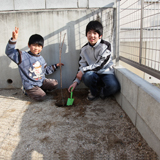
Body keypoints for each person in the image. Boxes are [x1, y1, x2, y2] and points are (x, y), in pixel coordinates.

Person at [5, 27, 64, 101]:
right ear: (29, 45)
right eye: (34, 45)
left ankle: (39, 90)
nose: (36, 48)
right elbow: (9, 52)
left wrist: (55, 66)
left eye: (39, 46)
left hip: (41, 82)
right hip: (30, 85)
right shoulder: (22, 56)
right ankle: (27, 91)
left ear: (42, 47)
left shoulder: (41, 58)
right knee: (41, 97)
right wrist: (13, 40)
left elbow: (45, 71)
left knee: (54, 83)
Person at [68, 20, 120, 100]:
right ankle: (93, 92)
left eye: (95, 33)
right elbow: (81, 66)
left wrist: (83, 71)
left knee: (114, 87)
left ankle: (102, 92)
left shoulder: (106, 46)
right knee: (87, 76)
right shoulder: (84, 49)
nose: (91, 35)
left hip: (106, 73)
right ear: (86, 35)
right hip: (92, 75)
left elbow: (100, 65)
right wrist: (75, 82)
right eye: (89, 33)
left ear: (100, 35)